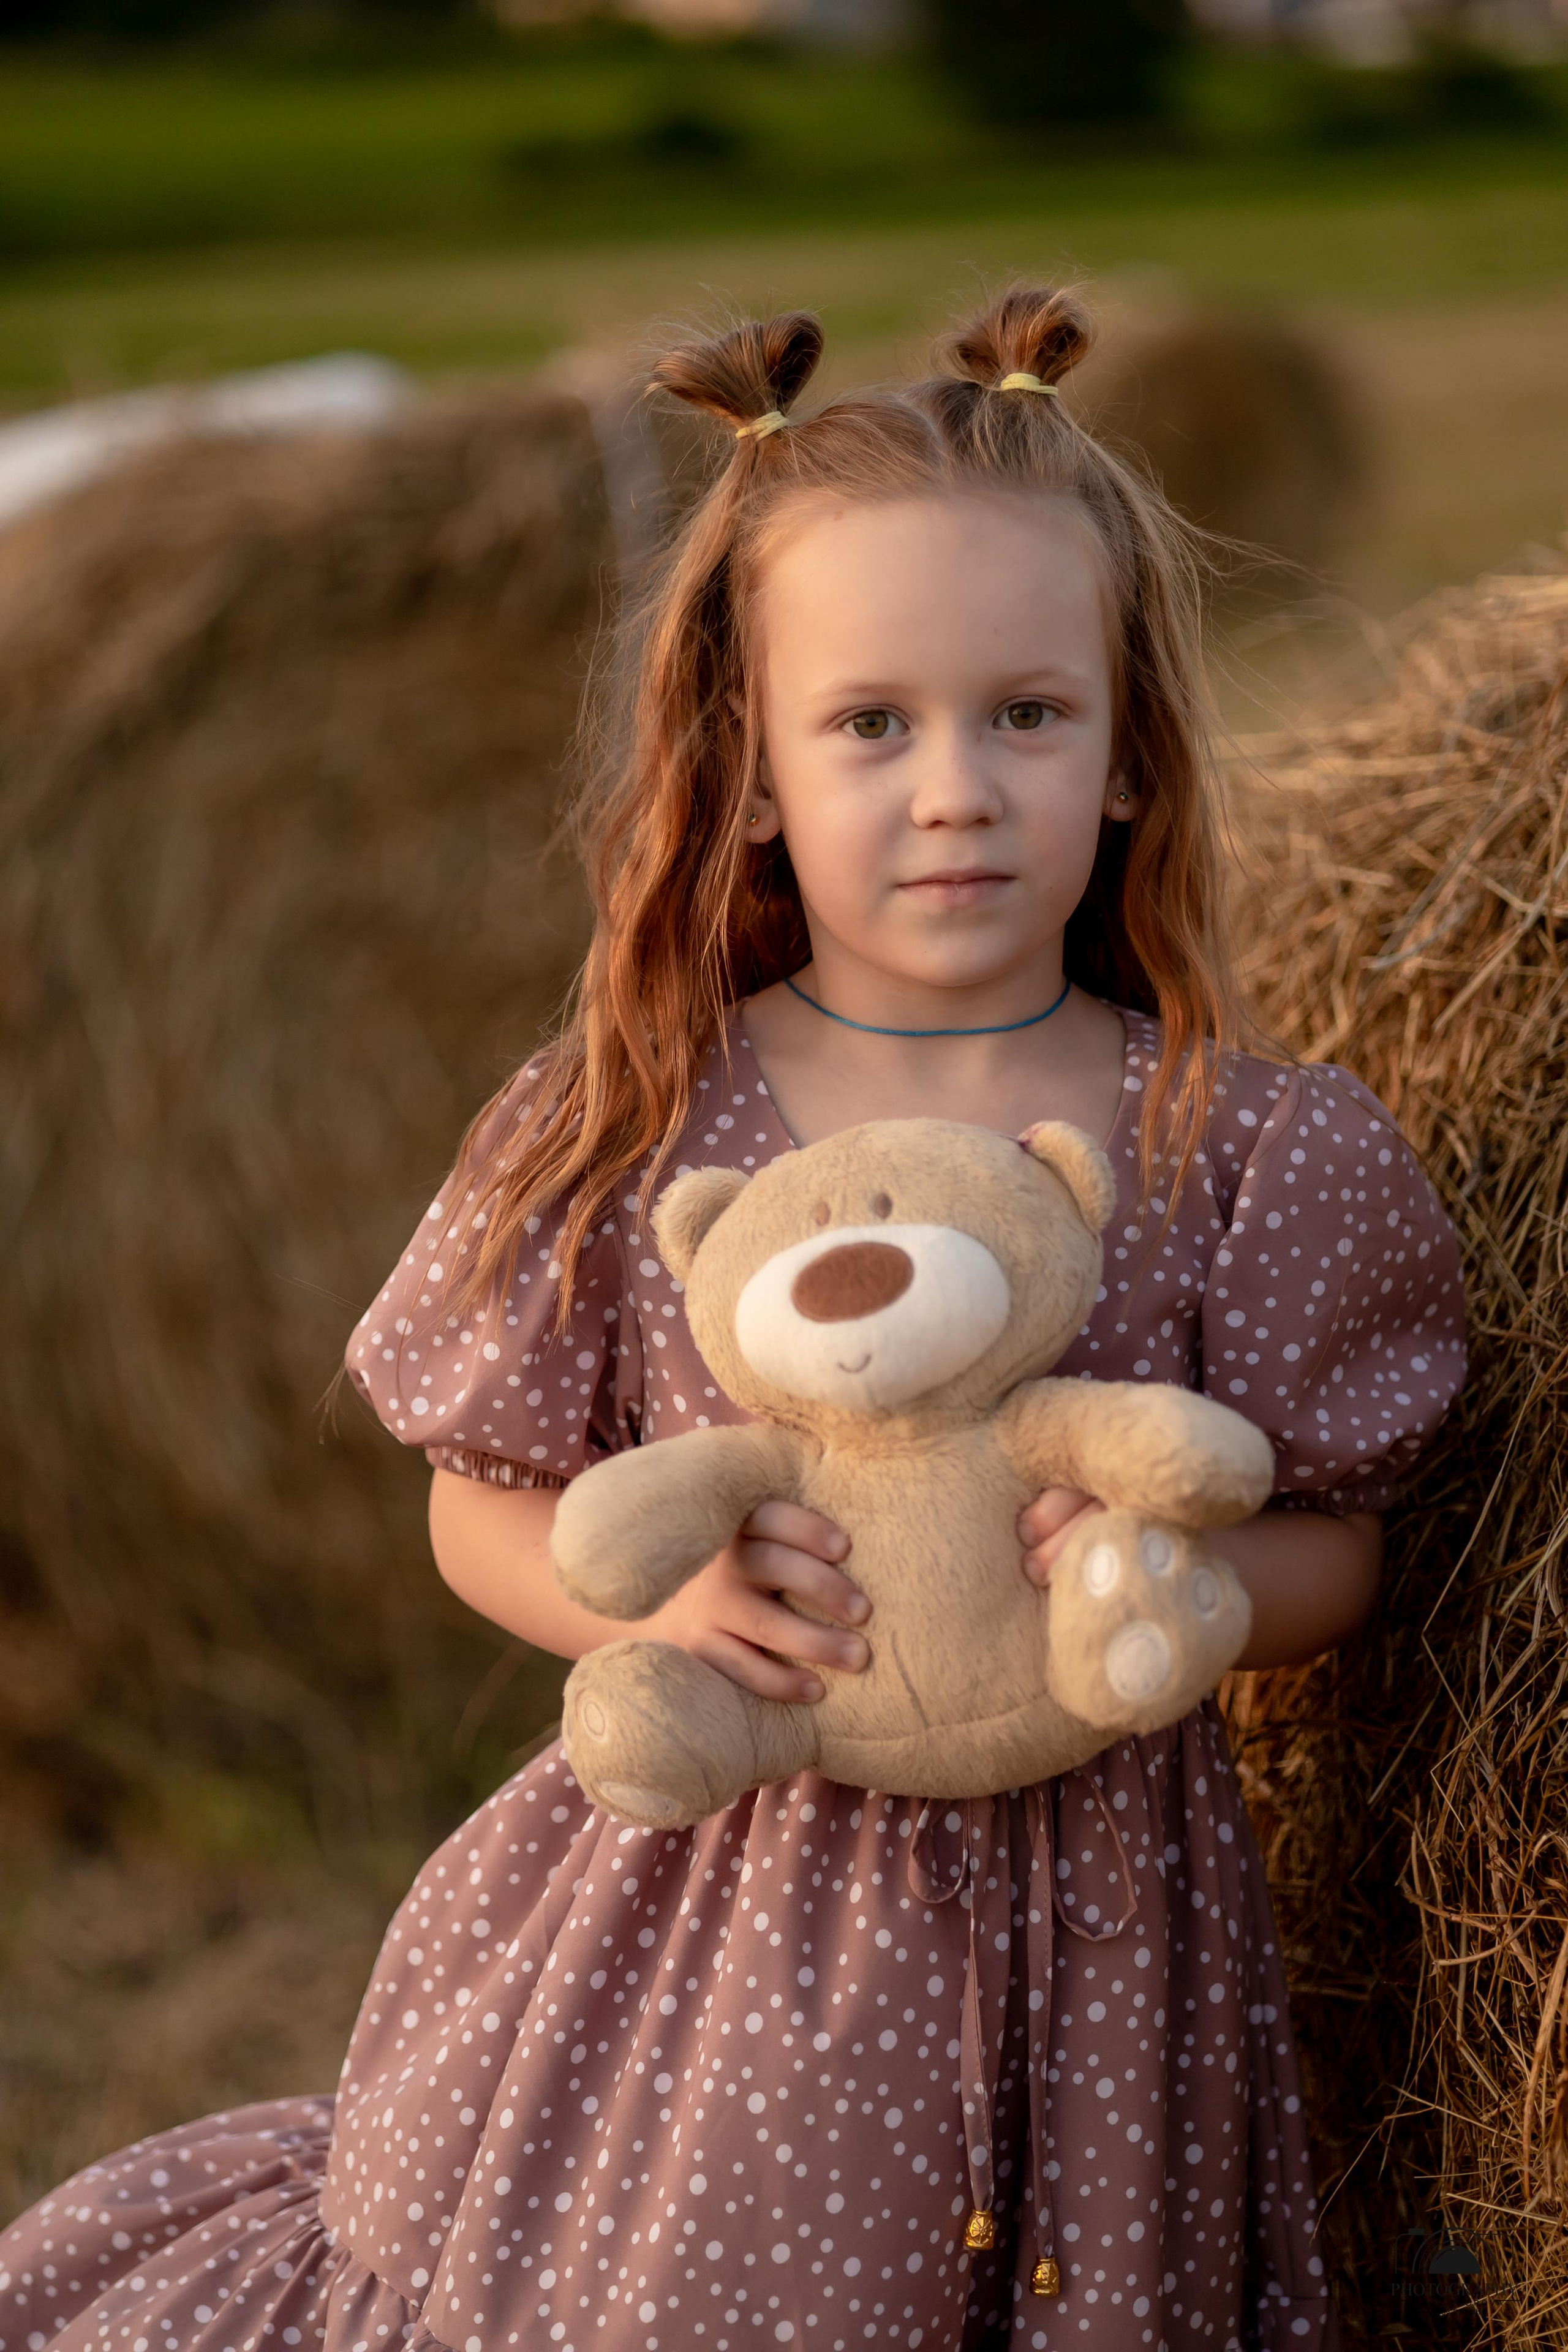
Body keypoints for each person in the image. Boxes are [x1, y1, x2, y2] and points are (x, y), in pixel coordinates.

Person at [0, 289, 1465, 2352]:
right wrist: (650, 1619)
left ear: (1132, 751)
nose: (954, 787)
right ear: (753, 772)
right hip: (724, 1922)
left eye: (1026, 716)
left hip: (1112, 1941)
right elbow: (475, 1502)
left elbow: (1352, 1541)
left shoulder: (1245, 1144)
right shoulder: (641, 1120)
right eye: (872, 723)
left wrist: (1200, 1582)